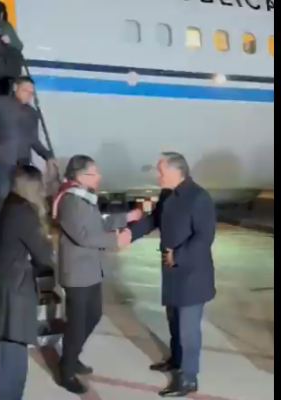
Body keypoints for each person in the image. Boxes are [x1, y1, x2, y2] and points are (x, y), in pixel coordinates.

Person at [129, 152, 216, 397]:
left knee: (189, 330)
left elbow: (204, 237)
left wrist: (178, 256)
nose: (157, 175)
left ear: (176, 171)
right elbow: (153, 220)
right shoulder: (168, 195)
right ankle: (176, 360)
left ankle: (188, 378)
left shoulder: (199, 197)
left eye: (160, 171)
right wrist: (129, 235)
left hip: (192, 275)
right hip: (171, 273)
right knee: (174, 321)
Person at [53, 155, 139, 394]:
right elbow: (83, 236)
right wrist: (115, 241)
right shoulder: (70, 200)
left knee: (93, 315)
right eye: (95, 172)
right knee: (77, 322)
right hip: (77, 273)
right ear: (81, 175)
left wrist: (126, 218)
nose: (99, 176)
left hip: (90, 270)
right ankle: (66, 370)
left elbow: (99, 222)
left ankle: (72, 356)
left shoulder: (84, 197)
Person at [0, 165, 55, 400]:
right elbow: (44, 256)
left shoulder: (8, 206)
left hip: (1, 285)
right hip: (12, 294)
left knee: (2, 357)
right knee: (11, 362)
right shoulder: (24, 213)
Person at [0, 76, 55, 243]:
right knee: (3, 194)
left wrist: (47, 156)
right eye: (26, 91)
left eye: (31, 93)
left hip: (23, 162)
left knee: (24, 198)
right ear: (15, 88)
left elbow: (34, 140)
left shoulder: (31, 113)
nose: (28, 95)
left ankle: (20, 235)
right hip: (2, 159)